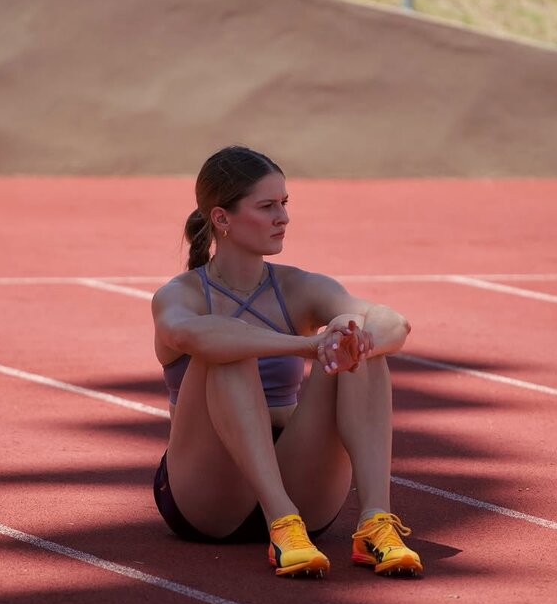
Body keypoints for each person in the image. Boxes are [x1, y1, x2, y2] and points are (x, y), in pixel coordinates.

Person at [151, 145, 422, 579]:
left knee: (353, 331)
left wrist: (357, 340)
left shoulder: (299, 287)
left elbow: (395, 322)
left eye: (284, 203)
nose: (284, 217)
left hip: (298, 477)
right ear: (221, 218)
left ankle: (375, 523)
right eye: (267, 206)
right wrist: (306, 346)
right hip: (207, 493)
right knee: (227, 345)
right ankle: (280, 523)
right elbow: (188, 335)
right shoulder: (180, 294)